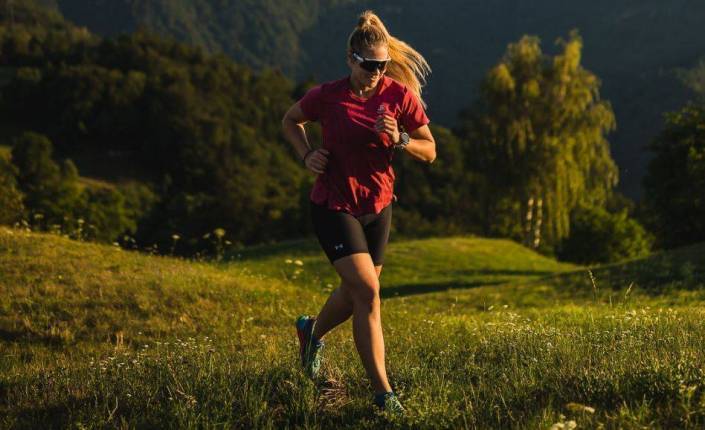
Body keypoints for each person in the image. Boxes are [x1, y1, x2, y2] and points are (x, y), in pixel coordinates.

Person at [281, 10, 436, 414]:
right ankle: (384, 393)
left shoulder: (398, 96)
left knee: (356, 294)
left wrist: (400, 139)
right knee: (368, 292)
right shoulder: (328, 95)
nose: (376, 72)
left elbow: (430, 150)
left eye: (382, 65)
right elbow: (290, 120)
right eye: (369, 65)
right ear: (351, 58)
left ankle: (311, 332)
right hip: (333, 204)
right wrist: (307, 154)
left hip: (378, 207)